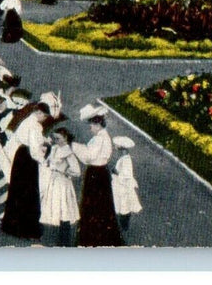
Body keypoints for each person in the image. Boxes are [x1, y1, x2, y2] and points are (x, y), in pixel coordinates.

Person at [71, 105, 123, 246]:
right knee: (102, 205)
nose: (90, 128)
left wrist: (73, 146)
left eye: (92, 125)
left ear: (98, 124)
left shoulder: (99, 139)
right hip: (101, 173)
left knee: (93, 205)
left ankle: (93, 238)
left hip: (96, 173)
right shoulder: (103, 136)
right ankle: (101, 236)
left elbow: (88, 156)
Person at [0, 102, 50, 239]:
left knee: (18, 191)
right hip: (28, 159)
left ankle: (11, 225)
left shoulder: (27, 121)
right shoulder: (35, 126)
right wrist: (43, 160)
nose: (44, 119)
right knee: (28, 193)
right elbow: (34, 150)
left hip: (20, 155)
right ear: (39, 113)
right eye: (44, 116)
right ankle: (26, 228)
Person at [40, 128, 81, 247]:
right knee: (55, 207)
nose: (56, 140)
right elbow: (48, 162)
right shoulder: (54, 148)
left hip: (62, 183)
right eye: (55, 138)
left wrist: (64, 170)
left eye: (58, 138)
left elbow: (77, 171)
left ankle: (65, 240)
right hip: (53, 181)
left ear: (65, 138)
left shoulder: (68, 152)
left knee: (64, 209)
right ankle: (59, 239)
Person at [111, 136, 142, 233]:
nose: (115, 146)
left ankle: (124, 226)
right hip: (120, 185)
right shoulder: (123, 158)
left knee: (124, 205)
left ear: (121, 147)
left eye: (116, 145)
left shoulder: (126, 160)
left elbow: (126, 175)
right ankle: (123, 224)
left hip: (123, 186)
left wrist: (116, 172)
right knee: (122, 204)